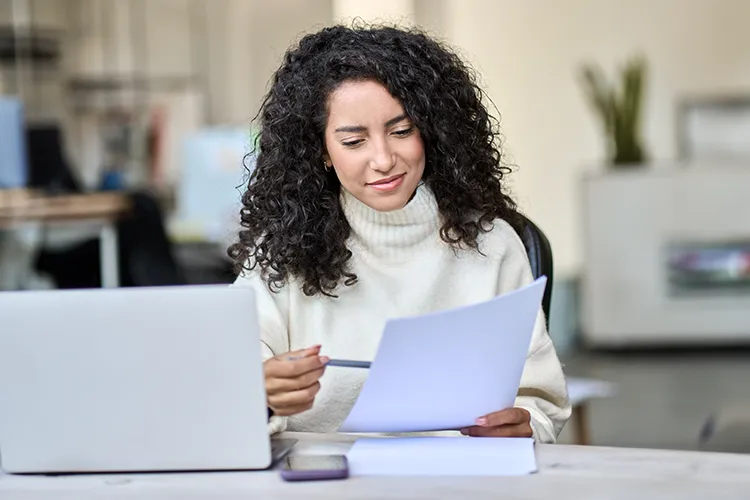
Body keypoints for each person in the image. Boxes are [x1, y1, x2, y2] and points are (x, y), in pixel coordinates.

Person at [229, 24, 571, 443]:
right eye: (353, 141)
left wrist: (524, 425)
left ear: (431, 130)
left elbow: (539, 401)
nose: (383, 159)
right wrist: (259, 394)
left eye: (402, 131)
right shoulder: (281, 252)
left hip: (459, 480)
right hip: (321, 482)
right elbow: (228, 388)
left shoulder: (492, 243)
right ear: (321, 151)